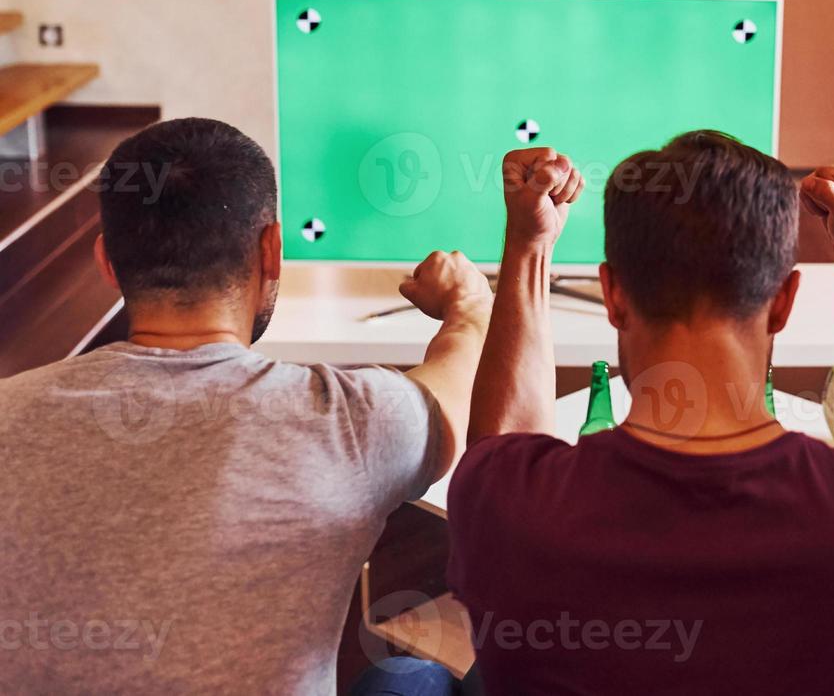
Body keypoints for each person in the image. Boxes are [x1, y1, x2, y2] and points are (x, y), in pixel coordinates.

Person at [436, 131, 834, 695]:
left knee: (410, 677)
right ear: (784, 302)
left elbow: (501, 445)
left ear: (612, 297)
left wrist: (529, 247)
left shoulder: (507, 505)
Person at [0, 118, 494, 695]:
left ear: (107, 261)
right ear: (271, 251)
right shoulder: (353, 421)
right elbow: (457, 394)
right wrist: (469, 304)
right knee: (412, 678)